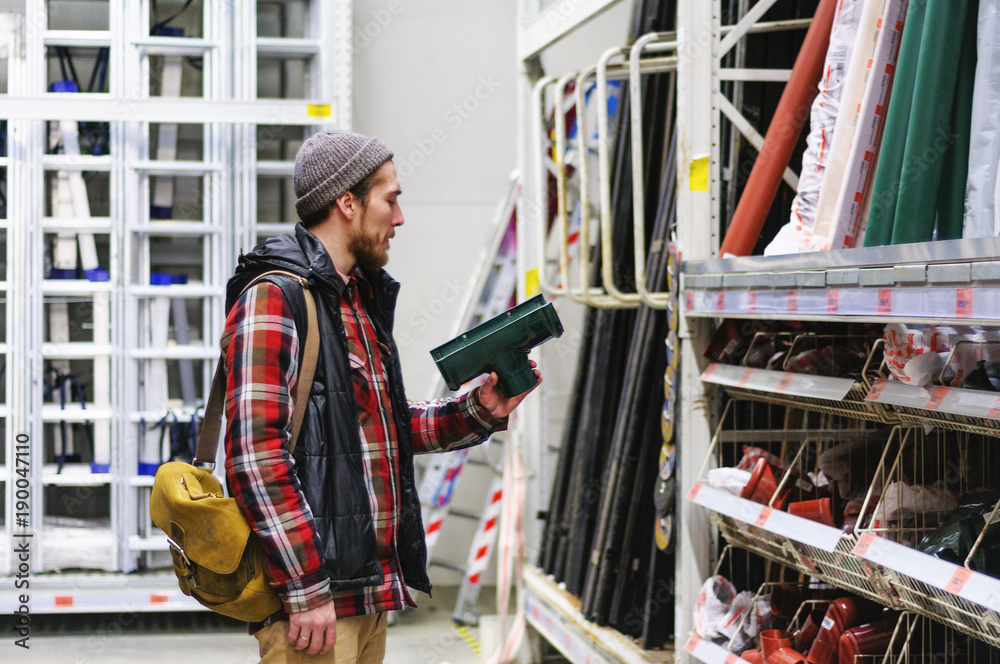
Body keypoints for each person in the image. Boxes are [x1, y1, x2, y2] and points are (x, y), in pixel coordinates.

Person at [221, 129, 540, 664]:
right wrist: (305, 590)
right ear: (347, 202)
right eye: (390, 199)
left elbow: (382, 426)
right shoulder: (276, 299)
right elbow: (255, 457)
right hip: (316, 607)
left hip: (366, 593)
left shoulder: (356, 299)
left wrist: (477, 410)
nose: (399, 217)